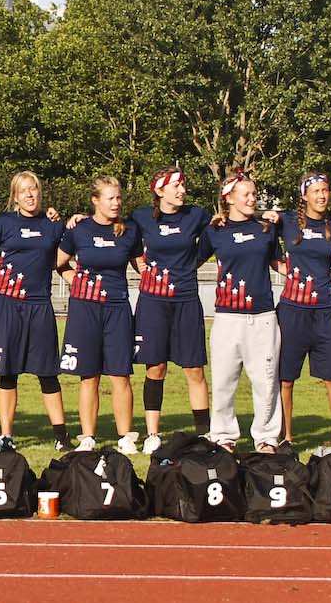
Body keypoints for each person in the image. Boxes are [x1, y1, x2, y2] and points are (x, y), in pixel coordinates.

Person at [56, 175, 144, 454]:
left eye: (118, 198)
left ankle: (125, 437)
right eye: (110, 198)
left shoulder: (129, 230)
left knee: (120, 375)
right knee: (89, 375)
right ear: (95, 201)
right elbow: (57, 263)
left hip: (117, 307)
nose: (116, 203)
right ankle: (88, 437)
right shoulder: (78, 229)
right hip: (85, 308)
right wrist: (76, 280)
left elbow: (142, 267)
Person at [129, 167, 214, 453]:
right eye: (176, 185)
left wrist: (191, 265)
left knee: (194, 369)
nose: (181, 190)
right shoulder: (141, 216)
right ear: (159, 190)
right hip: (153, 301)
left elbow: (215, 234)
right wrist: (140, 266)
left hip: (186, 299)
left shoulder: (196, 215)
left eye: (183, 184)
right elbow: (120, 236)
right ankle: (152, 433)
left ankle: (204, 434)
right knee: (156, 367)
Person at [0, 171, 69, 451]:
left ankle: (61, 436)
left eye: (33, 189)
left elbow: (62, 262)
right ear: (15, 196)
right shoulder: (1, 224)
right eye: (23, 191)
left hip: (39, 304)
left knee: (47, 372)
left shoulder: (53, 225)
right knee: (8, 373)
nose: (30, 195)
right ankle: (7, 435)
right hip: (6, 304)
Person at [201, 172, 282, 453]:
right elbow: (189, 259)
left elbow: (280, 263)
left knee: (266, 381)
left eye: (253, 193)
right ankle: (223, 435)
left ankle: (267, 438)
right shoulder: (215, 230)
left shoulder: (266, 229)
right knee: (223, 381)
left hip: (262, 316)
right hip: (227, 316)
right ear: (229, 198)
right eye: (245, 194)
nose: (252, 198)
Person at [275, 172, 331, 455]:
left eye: (325, 190)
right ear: (304, 196)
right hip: (292, 310)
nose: (322, 195)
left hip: (324, 312)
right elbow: (266, 244)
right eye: (316, 191)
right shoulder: (286, 221)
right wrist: (280, 267)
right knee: (285, 379)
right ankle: (286, 437)